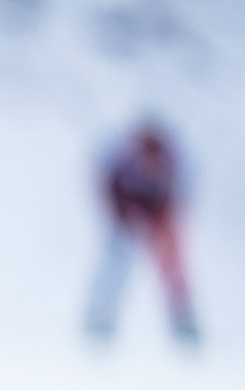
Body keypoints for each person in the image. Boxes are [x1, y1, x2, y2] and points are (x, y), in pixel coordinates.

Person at [84, 121, 201, 343]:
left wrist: (164, 224)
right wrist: (124, 217)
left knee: (172, 264)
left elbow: (181, 198)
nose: (150, 165)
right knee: (115, 262)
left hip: (160, 212)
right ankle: (100, 317)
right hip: (126, 210)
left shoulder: (175, 166)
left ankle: (184, 323)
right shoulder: (120, 163)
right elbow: (107, 188)